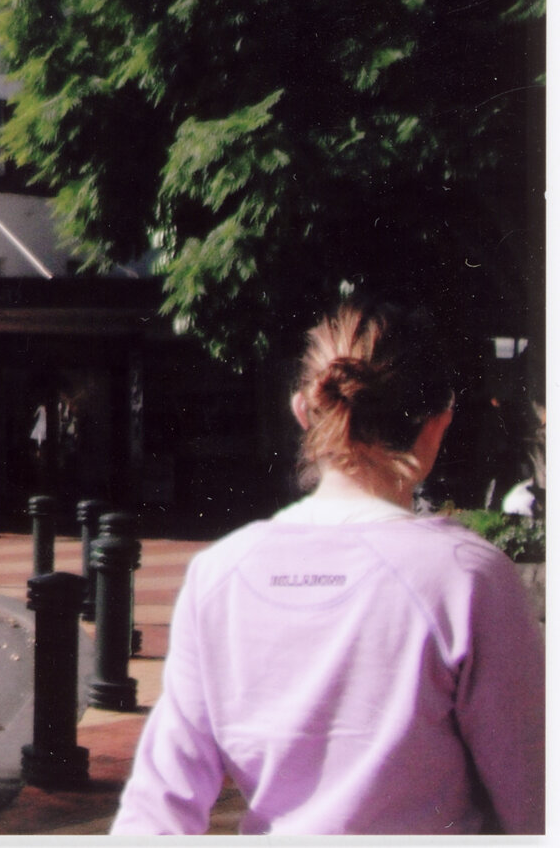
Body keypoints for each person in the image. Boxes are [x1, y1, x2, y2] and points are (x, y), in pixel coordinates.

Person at [112, 303, 544, 834]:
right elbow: (534, 800)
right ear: (439, 422)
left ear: (302, 410)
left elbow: (158, 808)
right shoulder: (468, 579)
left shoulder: (217, 575)